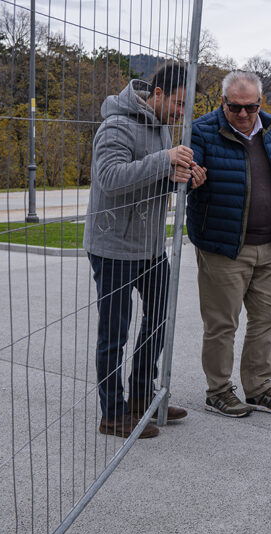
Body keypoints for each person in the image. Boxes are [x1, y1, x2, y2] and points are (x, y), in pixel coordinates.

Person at [84, 62, 205, 439]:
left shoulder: (163, 127)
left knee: (159, 320)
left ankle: (140, 397)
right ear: (157, 95)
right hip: (114, 248)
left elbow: (148, 180)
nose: (183, 113)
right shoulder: (116, 125)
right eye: (179, 104)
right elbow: (111, 179)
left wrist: (179, 180)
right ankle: (112, 413)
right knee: (115, 333)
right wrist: (165, 161)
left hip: (150, 248)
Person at [187, 70, 271, 417]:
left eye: (250, 107)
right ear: (222, 101)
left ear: (260, 103)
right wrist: (191, 177)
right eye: (234, 107)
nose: (242, 114)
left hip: (270, 245)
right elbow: (184, 173)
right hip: (223, 247)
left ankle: (258, 387)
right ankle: (219, 390)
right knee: (222, 323)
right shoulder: (202, 130)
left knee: (269, 315)